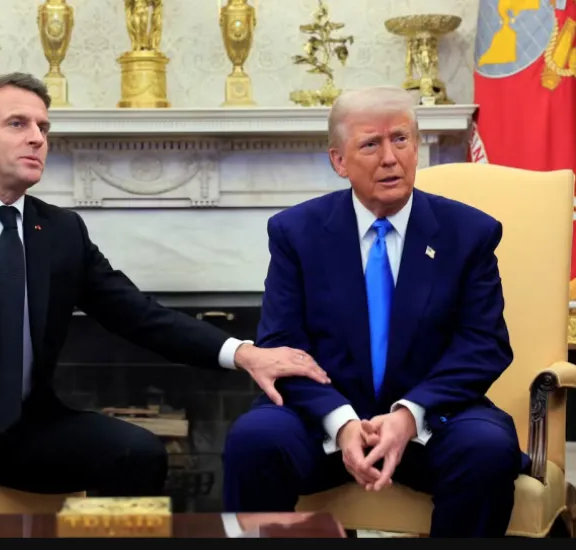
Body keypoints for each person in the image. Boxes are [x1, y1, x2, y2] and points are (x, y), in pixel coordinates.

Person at [0, 72, 328, 538]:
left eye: (43, 127)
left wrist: (243, 353)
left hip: (22, 426)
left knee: (137, 453)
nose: (37, 138)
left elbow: (138, 315)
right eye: (18, 124)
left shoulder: (60, 231)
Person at [221, 86, 530, 537]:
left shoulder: (469, 232)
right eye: (370, 144)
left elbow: (483, 345)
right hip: (322, 422)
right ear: (339, 161)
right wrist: (342, 422)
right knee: (255, 440)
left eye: (400, 139)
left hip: (431, 420)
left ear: (416, 147)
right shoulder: (296, 232)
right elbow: (280, 346)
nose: (390, 158)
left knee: (486, 447)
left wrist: (409, 414)